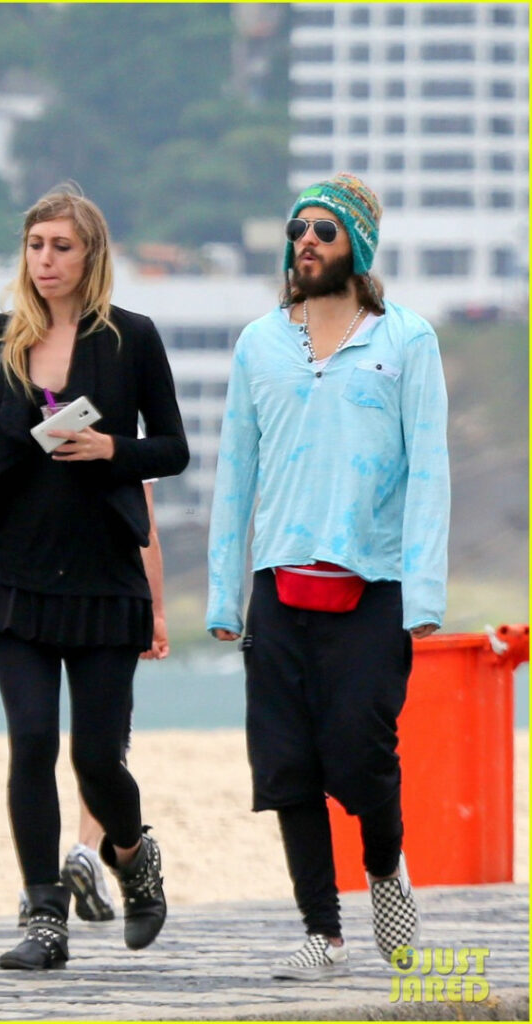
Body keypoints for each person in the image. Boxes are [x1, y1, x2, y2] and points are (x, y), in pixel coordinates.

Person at [0, 183, 189, 970]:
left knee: (97, 759)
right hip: (12, 575)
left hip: (104, 577)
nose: (46, 260)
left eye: (62, 246)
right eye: (36, 245)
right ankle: (44, 917)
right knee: (32, 739)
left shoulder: (131, 337)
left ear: (90, 254)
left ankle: (133, 855)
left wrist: (112, 449)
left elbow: (172, 448)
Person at [206, 173, 449, 980]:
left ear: (357, 248)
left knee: (360, 751)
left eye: (323, 230)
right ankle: (322, 932)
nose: (304, 241)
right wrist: (223, 593)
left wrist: (424, 591)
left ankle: (384, 869)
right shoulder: (257, 344)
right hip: (278, 583)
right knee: (286, 763)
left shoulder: (406, 341)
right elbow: (235, 472)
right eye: (296, 229)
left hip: (372, 583)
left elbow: (429, 471)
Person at [19, 479, 169, 926]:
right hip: (107, 597)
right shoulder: (129, 442)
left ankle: (37, 886)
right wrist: (157, 614)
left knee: (34, 744)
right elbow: (144, 529)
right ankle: (85, 850)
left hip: (31, 591)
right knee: (102, 744)